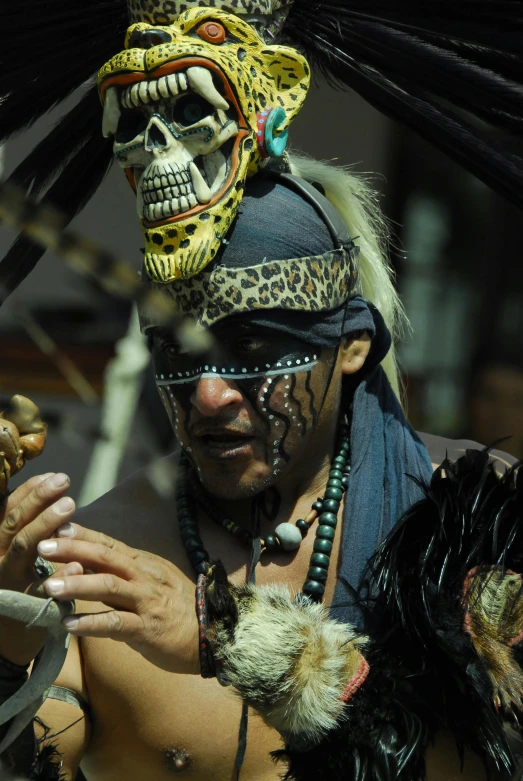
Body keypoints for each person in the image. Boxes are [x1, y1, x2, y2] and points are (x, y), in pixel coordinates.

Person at [0, 164, 517, 781]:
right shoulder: (96, 560)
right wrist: (5, 653)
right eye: (178, 351)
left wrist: (235, 638)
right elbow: (31, 763)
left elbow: (489, 742)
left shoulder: (477, 515)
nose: (209, 394)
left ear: (351, 343)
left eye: (250, 348)